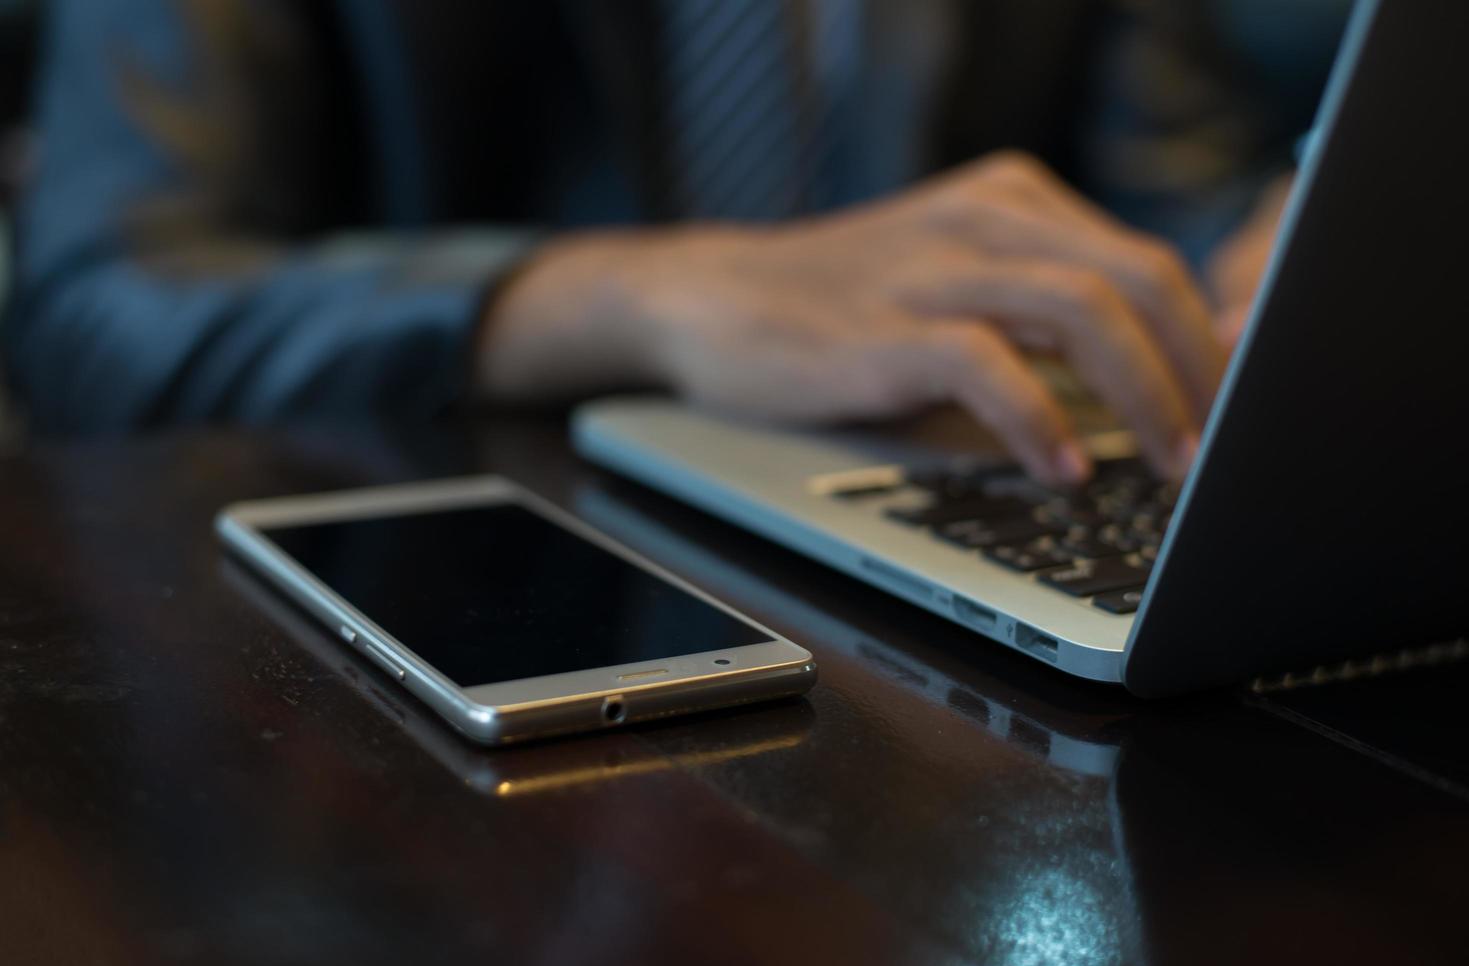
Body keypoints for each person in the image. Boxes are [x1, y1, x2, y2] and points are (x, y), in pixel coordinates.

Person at [2, 0, 1346, 483]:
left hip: (943, 555)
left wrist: (1268, 259)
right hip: (484, 606)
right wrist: (634, 296)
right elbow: (99, 307)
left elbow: (1173, 195)